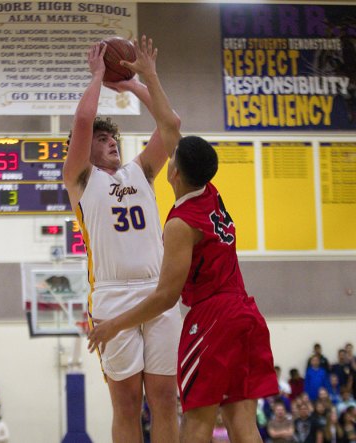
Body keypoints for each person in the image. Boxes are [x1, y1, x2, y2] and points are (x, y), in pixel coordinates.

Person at [88, 37, 278, 443]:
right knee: (243, 423)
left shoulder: (180, 223)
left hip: (211, 320)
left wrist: (111, 326)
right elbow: (171, 125)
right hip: (246, 312)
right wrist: (143, 80)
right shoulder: (212, 197)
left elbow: (165, 298)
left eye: (171, 160)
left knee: (196, 421)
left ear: (173, 172)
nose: (166, 158)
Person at [63, 36, 182, 443]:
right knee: (127, 402)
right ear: (84, 151)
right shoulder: (80, 180)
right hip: (112, 297)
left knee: (165, 398)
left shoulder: (141, 171)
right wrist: (98, 75)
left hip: (158, 291)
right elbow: (82, 122)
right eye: (101, 139)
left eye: (111, 137)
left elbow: (172, 124)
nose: (110, 140)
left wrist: (135, 83)